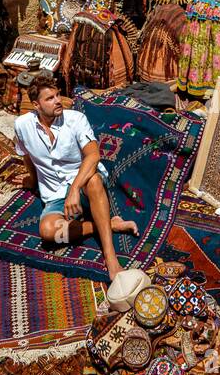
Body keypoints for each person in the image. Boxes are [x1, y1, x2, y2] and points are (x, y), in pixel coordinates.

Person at [13, 75, 138, 282]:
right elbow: (26, 154)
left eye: (58, 95)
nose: (57, 101)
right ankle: (108, 224)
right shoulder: (22, 125)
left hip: (85, 186)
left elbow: (93, 155)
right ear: (36, 105)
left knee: (95, 180)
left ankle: (110, 256)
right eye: (50, 98)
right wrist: (32, 181)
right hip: (54, 195)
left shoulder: (75, 119)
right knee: (49, 233)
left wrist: (74, 189)